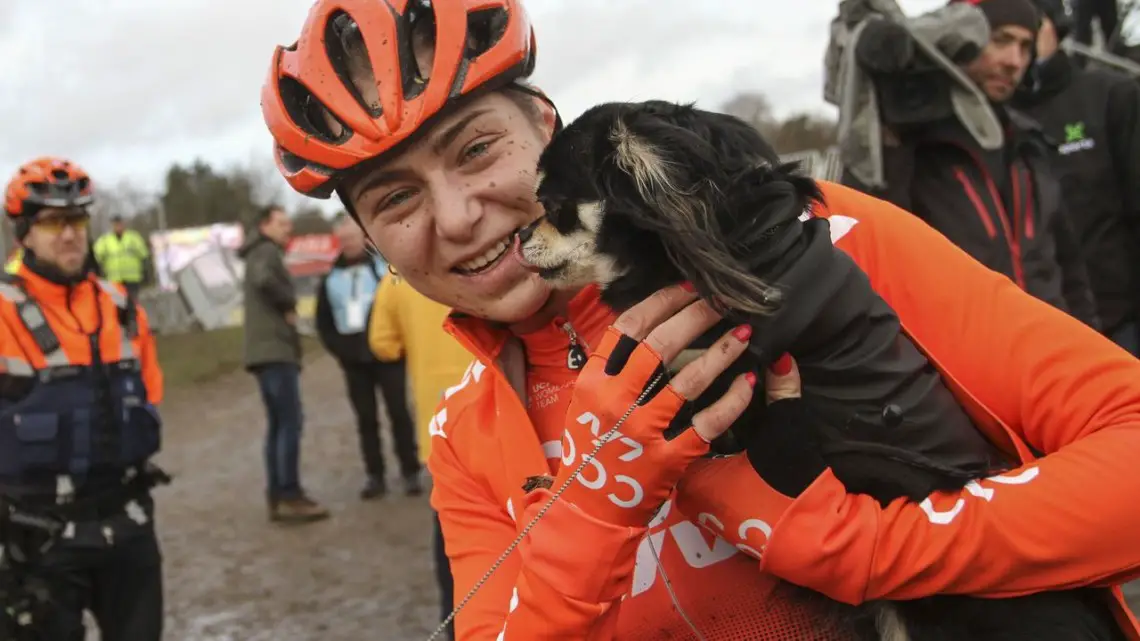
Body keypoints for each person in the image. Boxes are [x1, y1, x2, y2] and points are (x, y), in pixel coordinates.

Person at [260, 2, 1140, 638]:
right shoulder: (467, 435)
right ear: (367, 236)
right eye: (396, 198)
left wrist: (868, 550)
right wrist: (596, 505)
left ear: (546, 127)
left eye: (477, 150)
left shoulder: (815, 241)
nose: (457, 216)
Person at [842, 0, 1100, 331]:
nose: (1014, 61)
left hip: (1055, 353)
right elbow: (872, 254)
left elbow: (1068, 264)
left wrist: (1092, 341)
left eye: (1025, 46)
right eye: (1000, 40)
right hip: (968, 362)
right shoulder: (918, 145)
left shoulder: (1029, 142)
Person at [0, 157, 169, 640]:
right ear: (25, 233)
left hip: (128, 523)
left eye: (76, 220)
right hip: (37, 539)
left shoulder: (121, 306)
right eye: (53, 223)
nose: (69, 234)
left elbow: (150, 393)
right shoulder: (3, 312)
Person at [1013, 0, 1140, 353]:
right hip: (1047, 333)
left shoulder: (1111, 95)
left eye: (1030, 30)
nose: (1017, 51)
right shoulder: (999, 122)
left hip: (1122, 323)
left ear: (1054, 25)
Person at [368, 270, 476, 640]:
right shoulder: (487, 253)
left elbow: (383, 344)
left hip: (442, 430)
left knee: (455, 549)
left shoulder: (397, 278)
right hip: (510, 415)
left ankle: (458, 628)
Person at [315, 214, 421, 499]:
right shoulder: (329, 278)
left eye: (352, 237)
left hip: (388, 357)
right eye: (343, 239)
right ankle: (375, 476)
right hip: (354, 361)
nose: (348, 243)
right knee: (366, 419)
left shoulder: (384, 271)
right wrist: (341, 351)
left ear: (362, 237)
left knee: (399, 413)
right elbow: (323, 323)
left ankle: (410, 471)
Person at [239, 205, 329, 523]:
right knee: (289, 422)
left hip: (265, 352)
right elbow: (265, 280)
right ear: (265, 226)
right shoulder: (265, 251)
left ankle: (278, 494)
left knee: (279, 425)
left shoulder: (256, 250)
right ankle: (289, 494)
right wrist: (288, 304)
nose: (287, 227)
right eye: (281, 223)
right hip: (274, 350)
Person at [93, 214, 150, 299]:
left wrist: (145, 272)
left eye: (119, 223)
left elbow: (144, 254)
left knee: (132, 306)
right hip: (114, 280)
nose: (118, 226)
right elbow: (97, 255)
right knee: (118, 306)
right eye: (115, 224)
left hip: (132, 279)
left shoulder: (133, 238)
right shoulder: (105, 240)